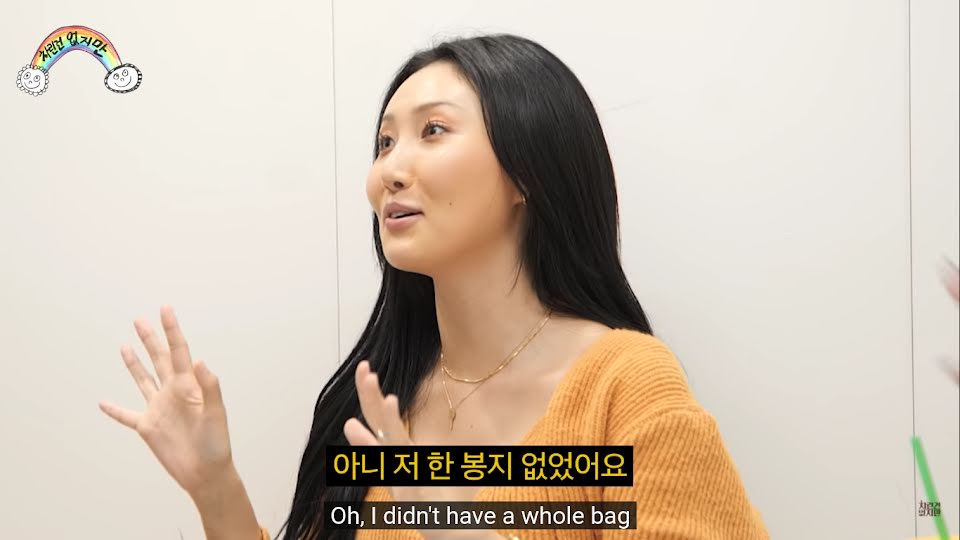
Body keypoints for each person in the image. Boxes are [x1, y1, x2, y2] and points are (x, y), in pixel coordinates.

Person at [100, 34, 771, 539]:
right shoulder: (375, 398)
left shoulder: (626, 385)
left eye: (433, 131)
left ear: (528, 170)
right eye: (385, 143)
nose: (389, 170)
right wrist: (216, 487)